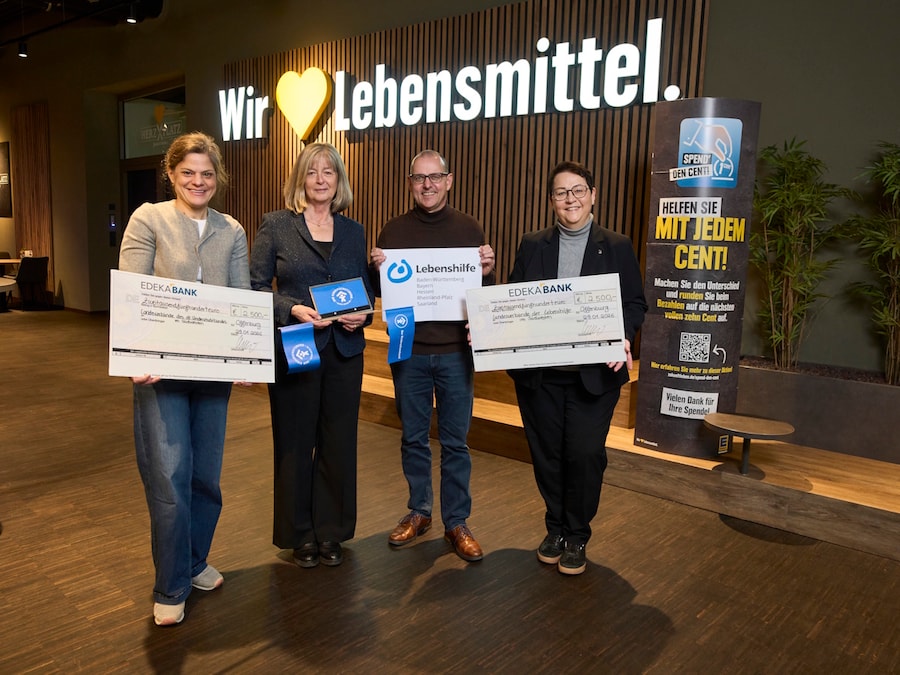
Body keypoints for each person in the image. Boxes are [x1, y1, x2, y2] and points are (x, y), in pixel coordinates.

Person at [118, 131, 250, 625]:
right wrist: (134, 355)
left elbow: (240, 299)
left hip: (212, 371)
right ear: (171, 175)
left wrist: (244, 360)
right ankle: (171, 584)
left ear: (218, 178)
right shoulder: (148, 218)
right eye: (188, 172)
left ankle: (195, 562)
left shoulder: (232, 230)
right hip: (160, 370)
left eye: (207, 173)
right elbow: (132, 291)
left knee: (204, 478)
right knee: (170, 476)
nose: (198, 181)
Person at [507, 160, 647, 575]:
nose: (570, 199)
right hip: (540, 374)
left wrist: (623, 334)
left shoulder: (617, 245)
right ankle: (555, 529)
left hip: (594, 376)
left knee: (584, 454)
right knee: (547, 455)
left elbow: (635, 303)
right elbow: (515, 299)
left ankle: (578, 533)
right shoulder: (533, 244)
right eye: (561, 192)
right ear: (551, 200)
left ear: (592, 195)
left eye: (578, 190)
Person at [250, 142, 373, 569]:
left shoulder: (355, 232)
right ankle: (299, 533)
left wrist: (363, 315)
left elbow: (365, 292)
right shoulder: (276, 226)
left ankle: (332, 531)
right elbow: (254, 288)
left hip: (344, 351)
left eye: (329, 172)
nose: (321, 179)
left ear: (339, 181)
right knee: (295, 441)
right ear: (300, 179)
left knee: (338, 443)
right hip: (296, 346)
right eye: (312, 172)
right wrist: (291, 309)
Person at [370, 149, 495, 562]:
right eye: (419, 178)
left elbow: (480, 291)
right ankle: (419, 511)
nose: (427, 184)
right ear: (410, 183)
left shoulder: (469, 229)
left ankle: (456, 521)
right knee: (413, 437)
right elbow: (382, 288)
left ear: (449, 180)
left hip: (457, 354)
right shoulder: (392, 231)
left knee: (456, 442)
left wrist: (488, 269)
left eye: (435, 177)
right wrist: (376, 267)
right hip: (410, 352)